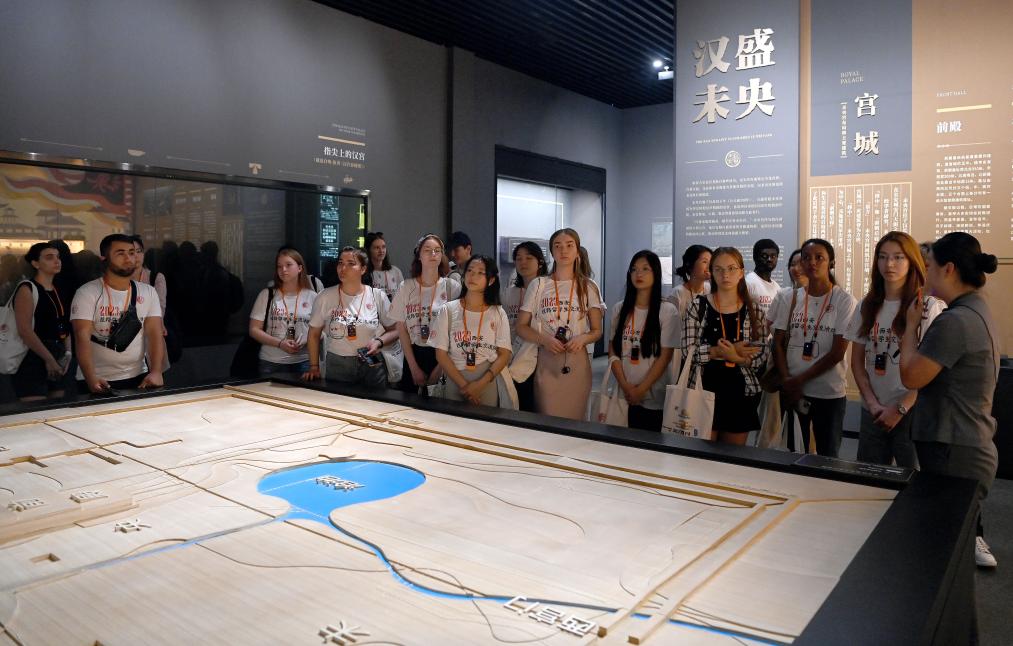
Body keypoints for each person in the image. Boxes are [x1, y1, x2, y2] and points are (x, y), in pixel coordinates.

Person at [900, 232, 999, 569]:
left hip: (953, 447)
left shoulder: (955, 321)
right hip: (965, 443)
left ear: (949, 269)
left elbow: (911, 376)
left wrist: (910, 328)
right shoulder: (976, 309)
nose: (924, 273)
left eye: (929, 266)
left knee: (942, 552)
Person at [847, 232, 944, 469]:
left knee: (913, 481)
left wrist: (900, 409)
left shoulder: (927, 307)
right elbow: (857, 362)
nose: (889, 264)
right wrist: (872, 404)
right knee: (868, 478)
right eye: (883, 257)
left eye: (898, 257)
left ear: (912, 261)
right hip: (873, 410)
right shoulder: (867, 305)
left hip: (912, 412)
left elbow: (931, 369)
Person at [772, 238, 857, 457]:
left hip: (827, 393)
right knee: (793, 452)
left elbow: (837, 353)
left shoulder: (844, 301)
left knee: (827, 456)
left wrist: (797, 381)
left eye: (819, 257)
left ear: (831, 263)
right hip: (792, 390)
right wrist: (787, 380)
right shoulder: (791, 297)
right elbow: (778, 342)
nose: (812, 262)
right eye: (806, 258)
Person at [516, 228, 604, 420]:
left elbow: (597, 330)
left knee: (575, 420)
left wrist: (583, 338)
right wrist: (545, 340)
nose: (563, 250)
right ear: (552, 252)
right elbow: (521, 326)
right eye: (558, 246)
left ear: (577, 250)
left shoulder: (588, 286)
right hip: (547, 358)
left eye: (569, 245)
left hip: (577, 360)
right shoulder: (539, 284)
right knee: (547, 419)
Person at [682, 247, 767, 444]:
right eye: (718, 269)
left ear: (741, 272)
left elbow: (761, 356)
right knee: (700, 456)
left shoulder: (754, 310)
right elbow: (689, 352)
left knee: (732, 458)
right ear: (711, 273)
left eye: (731, 268)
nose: (725, 275)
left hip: (741, 393)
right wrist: (723, 351)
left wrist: (735, 357)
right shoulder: (698, 306)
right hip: (703, 390)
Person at [71, 234, 164, 393]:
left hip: (138, 375)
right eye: (120, 253)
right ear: (104, 258)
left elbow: (155, 334)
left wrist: (156, 371)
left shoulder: (148, 292)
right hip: (97, 378)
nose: (128, 258)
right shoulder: (87, 292)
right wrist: (90, 377)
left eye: (132, 252)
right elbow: (81, 336)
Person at [303, 247, 398, 387]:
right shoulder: (325, 296)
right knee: (337, 399)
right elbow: (313, 334)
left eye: (351, 264)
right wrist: (314, 366)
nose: (343, 268)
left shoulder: (377, 296)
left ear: (363, 269)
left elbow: (396, 330)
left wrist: (379, 341)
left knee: (374, 400)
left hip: (371, 360)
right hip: (338, 363)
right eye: (340, 263)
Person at [608, 250, 677, 431]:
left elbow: (665, 357)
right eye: (634, 269)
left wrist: (640, 390)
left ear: (656, 273)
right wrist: (625, 386)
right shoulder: (619, 309)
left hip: (654, 396)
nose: (639, 274)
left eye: (645, 269)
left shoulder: (667, 311)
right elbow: (613, 349)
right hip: (623, 393)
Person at [433, 255, 512, 406]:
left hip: (487, 381)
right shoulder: (448, 310)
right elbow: (441, 354)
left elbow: (504, 354)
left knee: (485, 420)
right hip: (455, 380)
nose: (473, 276)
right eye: (470, 270)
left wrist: (480, 385)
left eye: (480, 272)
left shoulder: (498, 312)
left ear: (491, 280)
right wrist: (466, 387)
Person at [389, 234, 462, 394]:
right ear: (419, 255)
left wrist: (440, 368)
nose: (433, 254)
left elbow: (456, 331)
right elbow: (401, 328)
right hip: (413, 353)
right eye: (427, 250)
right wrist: (413, 367)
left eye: (437, 250)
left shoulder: (452, 287)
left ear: (442, 255)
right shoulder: (406, 287)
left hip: (443, 355)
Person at [12, 243, 72, 401]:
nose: (57, 261)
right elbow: (25, 330)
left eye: (58, 257)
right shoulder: (27, 289)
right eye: (49, 257)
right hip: (33, 354)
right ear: (35, 263)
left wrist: (67, 353)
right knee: (34, 407)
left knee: (56, 406)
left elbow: (64, 325)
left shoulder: (58, 289)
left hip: (57, 351)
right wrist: (49, 359)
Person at [248, 248, 317, 376]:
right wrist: (280, 344)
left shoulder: (312, 296)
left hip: (303, 361)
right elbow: (254, 329)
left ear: (300, 268)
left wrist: (306, 340)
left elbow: (322, 330)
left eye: (288, 265)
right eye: (279, 266)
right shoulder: (267, 294)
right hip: (271, 361)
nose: (283, 270)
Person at [501, 241, 547, 412]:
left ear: (540, 262)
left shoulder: (547, 290)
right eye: (519, 258)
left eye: (529, 258)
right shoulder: (509, 293)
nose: (523, 262)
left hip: (541, 354)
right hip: (513, 355)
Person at [667, 244, 711, 319]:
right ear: (690, 264)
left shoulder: (710, 289)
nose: (709, 266)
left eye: (711, 262)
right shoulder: (677, 293)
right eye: (704, 262)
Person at [745, 239, 780, 319]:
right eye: (764, 256)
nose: (769, 259)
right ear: (755, 257)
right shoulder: (749, 282)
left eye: (773, 256)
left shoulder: (777, 287)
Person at [365, 231, 404, 302]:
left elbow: (403, 295)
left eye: (383, 247)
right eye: (377, 248)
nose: (381, 251)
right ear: (369, 250)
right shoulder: (364, 273)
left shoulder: (395, 271)